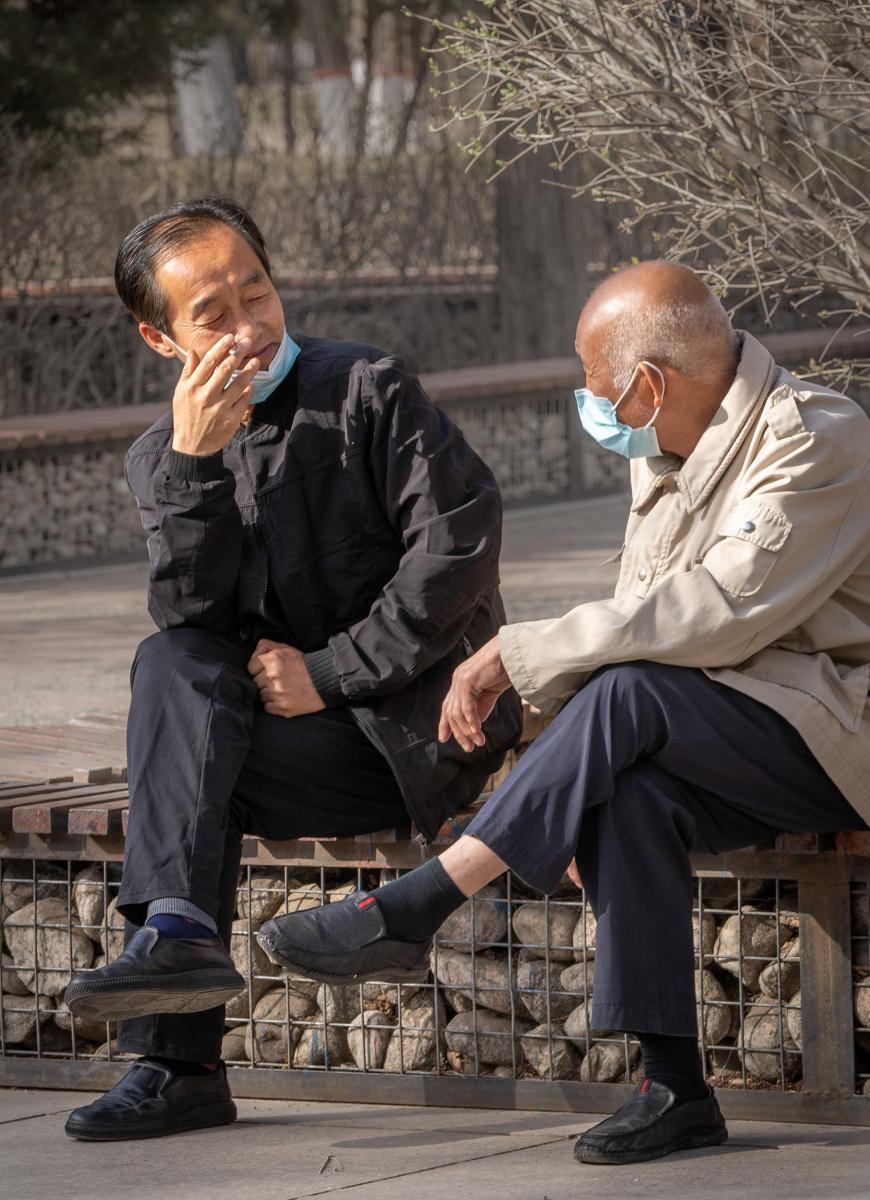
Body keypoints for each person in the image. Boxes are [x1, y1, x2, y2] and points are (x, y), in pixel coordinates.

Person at [256, 261, 870, 1166]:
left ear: (650, 384)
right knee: (628, 792)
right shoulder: (671, 447)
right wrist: (571, 776)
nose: (591, 404)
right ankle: (675, 1091)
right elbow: (644, 631)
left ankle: (419, 903)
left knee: (626, 696)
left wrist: (522, 652)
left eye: (595, 384)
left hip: (838, 734)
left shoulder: (818, 435)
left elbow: (719, 610)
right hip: (736, 728)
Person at [62, 197, 522, 1141]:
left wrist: (331, 669)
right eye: (212, 315)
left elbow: (459, 549)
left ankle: (169, 1049)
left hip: (419, 734)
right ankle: (181, 989)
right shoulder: (163, 458)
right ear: (160, 339)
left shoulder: (367, 388)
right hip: (290, 754)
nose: (247, 326)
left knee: (192, 762)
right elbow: (195, 627)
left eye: (257, 293)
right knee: (172, 668)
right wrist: (197, 466)